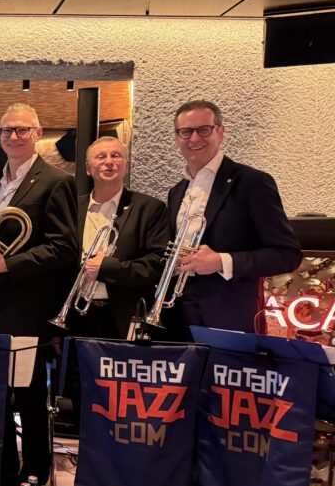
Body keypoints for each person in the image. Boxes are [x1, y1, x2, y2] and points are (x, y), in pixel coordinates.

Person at [0, 103, 78, 486]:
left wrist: (7, 264)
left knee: (30, 403)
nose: (13, 136)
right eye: (7, 130)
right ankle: (0, 483)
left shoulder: (56, 181)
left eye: (22, 130)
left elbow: (65, 248)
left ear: (38, 133)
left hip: (28, 311)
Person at [166, 100, 301, 335]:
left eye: (203, 130)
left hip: (229, 314)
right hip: (178, 311)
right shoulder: (177, 191)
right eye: (185, 132)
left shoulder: (252, 183)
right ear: (177, 139)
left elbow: (287, 255)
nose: (194, 138)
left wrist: (221, 261)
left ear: (220, 132)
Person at [68, 136, 169, 340]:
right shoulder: (72, 208)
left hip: (125, 318)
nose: (108, 161)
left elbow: (157, 265)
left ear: (126, 167)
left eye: (116, 156)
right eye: (101, 156)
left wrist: (106, 267)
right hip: (76, 318)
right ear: (88, 168)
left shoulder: (149, 209)